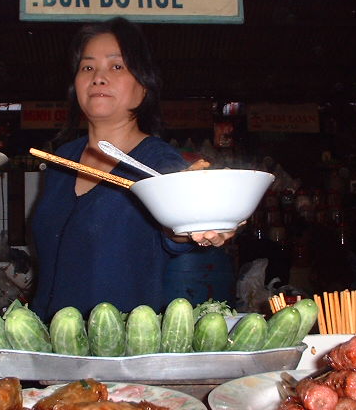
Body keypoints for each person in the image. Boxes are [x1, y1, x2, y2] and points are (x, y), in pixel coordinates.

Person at [30, 17, 236, 321]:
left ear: (144, 85)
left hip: (117, 350)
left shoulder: (159, 163)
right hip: (44, 344)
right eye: (87, 67)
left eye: (117, 66)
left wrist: (199, 225)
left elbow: (177, 228)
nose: (98, 77)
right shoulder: (63, 159)